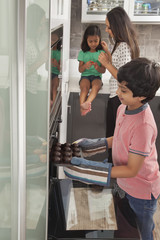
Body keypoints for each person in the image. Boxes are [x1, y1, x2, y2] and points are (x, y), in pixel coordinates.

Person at [76, 58, 160, 240]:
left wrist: (93, 170)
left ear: (142, 96)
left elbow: (131, 170)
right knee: (125, 228)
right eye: (119, 87)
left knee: (142, 231)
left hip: (142, 192)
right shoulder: (124, 108)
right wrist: (94, 144)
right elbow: (120, 139)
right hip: (125, 185)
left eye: (123, 90)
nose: (117, 92)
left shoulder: (143, 125)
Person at [98, 7, 140, 162]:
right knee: (114, 137)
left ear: (117, 26)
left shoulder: (123, 46)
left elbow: (124, 79)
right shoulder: (121, 44)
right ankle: (111, 167)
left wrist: (106, 63)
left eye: (109, 27)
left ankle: (113, 171)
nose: (107, 30)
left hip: (118, 98)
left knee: (115, 138)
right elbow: (120, 67)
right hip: (116, 96)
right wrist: (109, 55)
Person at [78, 25, 106, 116]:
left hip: (97, 77)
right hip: (85, 76)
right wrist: (85, 66)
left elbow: (103, 70)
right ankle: (82, 107)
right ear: (86, 40)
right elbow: (80, 70)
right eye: (90, 41)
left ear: (99, 39)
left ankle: (87, 103)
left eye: (96, 41)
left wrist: (98, 68)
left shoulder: (101, 53)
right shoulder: (82, 53)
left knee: (96, 87)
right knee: (84, 88)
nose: (93, 44)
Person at [50, 32, 61, 107]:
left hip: (57, 74)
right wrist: (49, 63)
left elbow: (62, 69)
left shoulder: (60, 53)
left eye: (54, 40)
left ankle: (54, 108)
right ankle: (49, 109)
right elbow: (46, 69)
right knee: (49, 89)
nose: (52, 42)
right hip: (50, 73)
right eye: (51, 39)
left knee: (54, 89)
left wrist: (57, 64)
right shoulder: (48, 52)